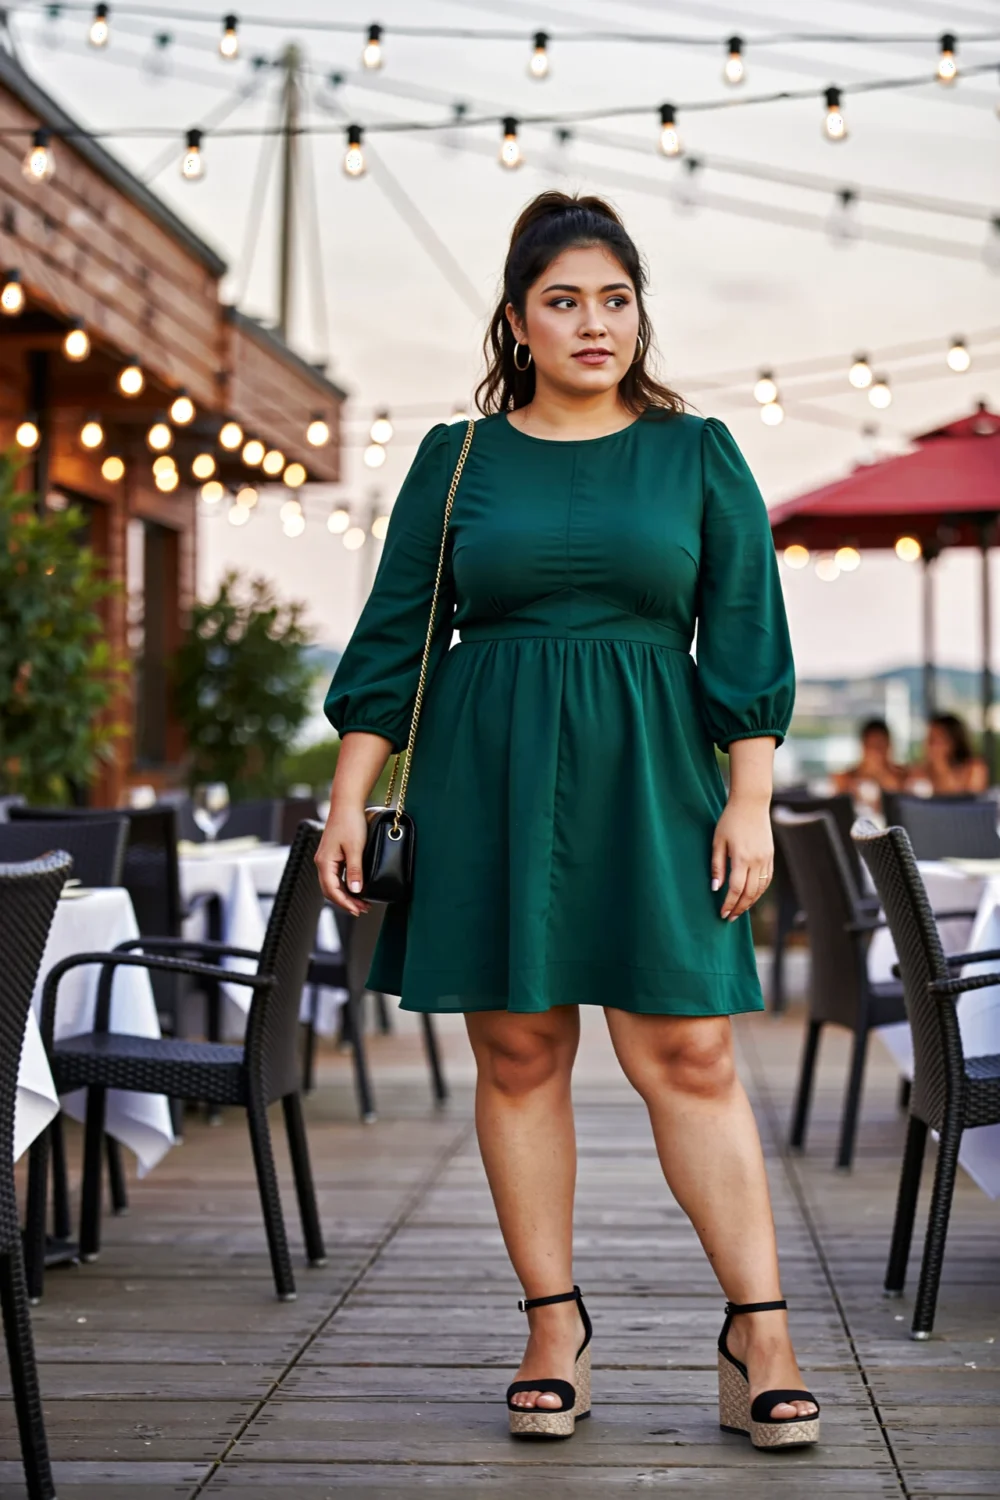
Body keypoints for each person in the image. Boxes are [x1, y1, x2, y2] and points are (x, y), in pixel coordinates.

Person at [316, 192, 818, 1450]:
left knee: (688, 1053)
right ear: (516, 321)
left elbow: (743, 632)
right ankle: (554, 1327)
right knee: (520, 1053)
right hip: (485, 773)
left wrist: (749, 799)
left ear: (639, 313)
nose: (594, 323)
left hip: (654, 775)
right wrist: (346, 798)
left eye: (615, 299)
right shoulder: (458, 459)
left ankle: (759, 1331)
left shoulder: (697, 452)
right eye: (563, 301)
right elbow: (395, 634)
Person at [832, 717, 907, 813]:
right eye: (872, 745)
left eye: (881, 745)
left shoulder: (903, 778)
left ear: (889, 746)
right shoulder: (845, 779)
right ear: (863, 746)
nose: (876, 752)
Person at [906, 712, 990, 796]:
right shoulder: (920, 772)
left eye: (934, 739)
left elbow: (972, 800)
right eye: (927, 739)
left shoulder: (973, 769)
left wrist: (942, 768)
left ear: (951, 742)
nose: (928, 744)